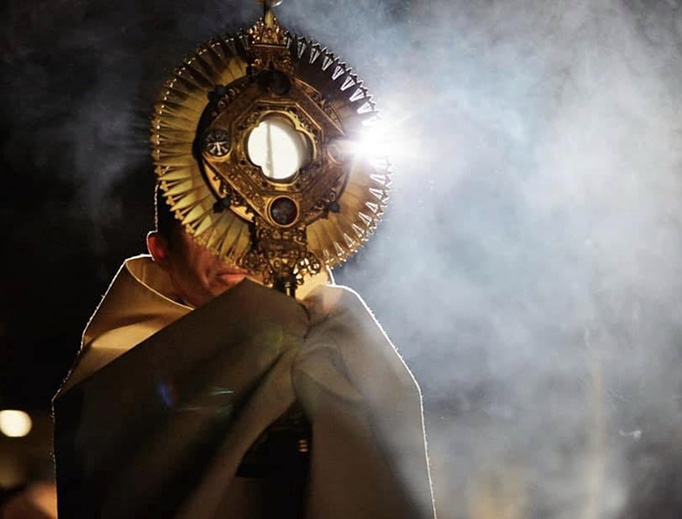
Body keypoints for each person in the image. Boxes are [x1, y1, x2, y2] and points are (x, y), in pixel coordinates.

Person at [52, 189, 436, 518]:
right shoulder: (117, 361)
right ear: (160, 250)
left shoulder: (341, 335)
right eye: (205, 222)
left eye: (253, 220)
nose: (235, 245)